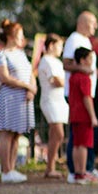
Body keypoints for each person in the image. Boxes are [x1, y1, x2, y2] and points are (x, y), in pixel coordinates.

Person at [0, 21, 36, 183]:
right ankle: (6, 170)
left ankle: (12, 167)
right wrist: (26, 86)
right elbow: (5, 77)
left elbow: (30, 73)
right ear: (11, 36)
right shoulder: (1, 55)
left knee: (17, 134)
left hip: (22, 99)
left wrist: (32, 89)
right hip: (9, 98)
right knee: (6, 134)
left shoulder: (21, 54)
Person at [63, 11, 98, 179]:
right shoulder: (74, 39)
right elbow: (66, 63)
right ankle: (76, 169)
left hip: (87, 92)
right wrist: (83, 69)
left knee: (83, 137)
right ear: (83, 23)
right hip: (80, 95)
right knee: (79, 137)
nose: (95, 27)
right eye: (93, 23)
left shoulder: (85, 41)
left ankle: (85, 167)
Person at [37, 33, 68, 179]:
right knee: (58, 133)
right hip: (50, 100)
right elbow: (57, 81)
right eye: (59, 45)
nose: (61, 49)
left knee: (55, 134)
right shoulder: (46, 61)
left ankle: (50, 167)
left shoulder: (57, 62)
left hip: (59, 100)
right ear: (51, 46)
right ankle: (50, 166)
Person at [67, 47, 97, 185]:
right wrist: (93, 116)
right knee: (83, 145)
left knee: (76, 144)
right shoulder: (84, 78)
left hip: (74, 113)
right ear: (83, 60)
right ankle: (82, 172)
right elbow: (87, 97)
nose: (91, 62)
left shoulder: (73, 77)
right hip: (84, 115)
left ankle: (77, 172)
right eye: (89, 59)